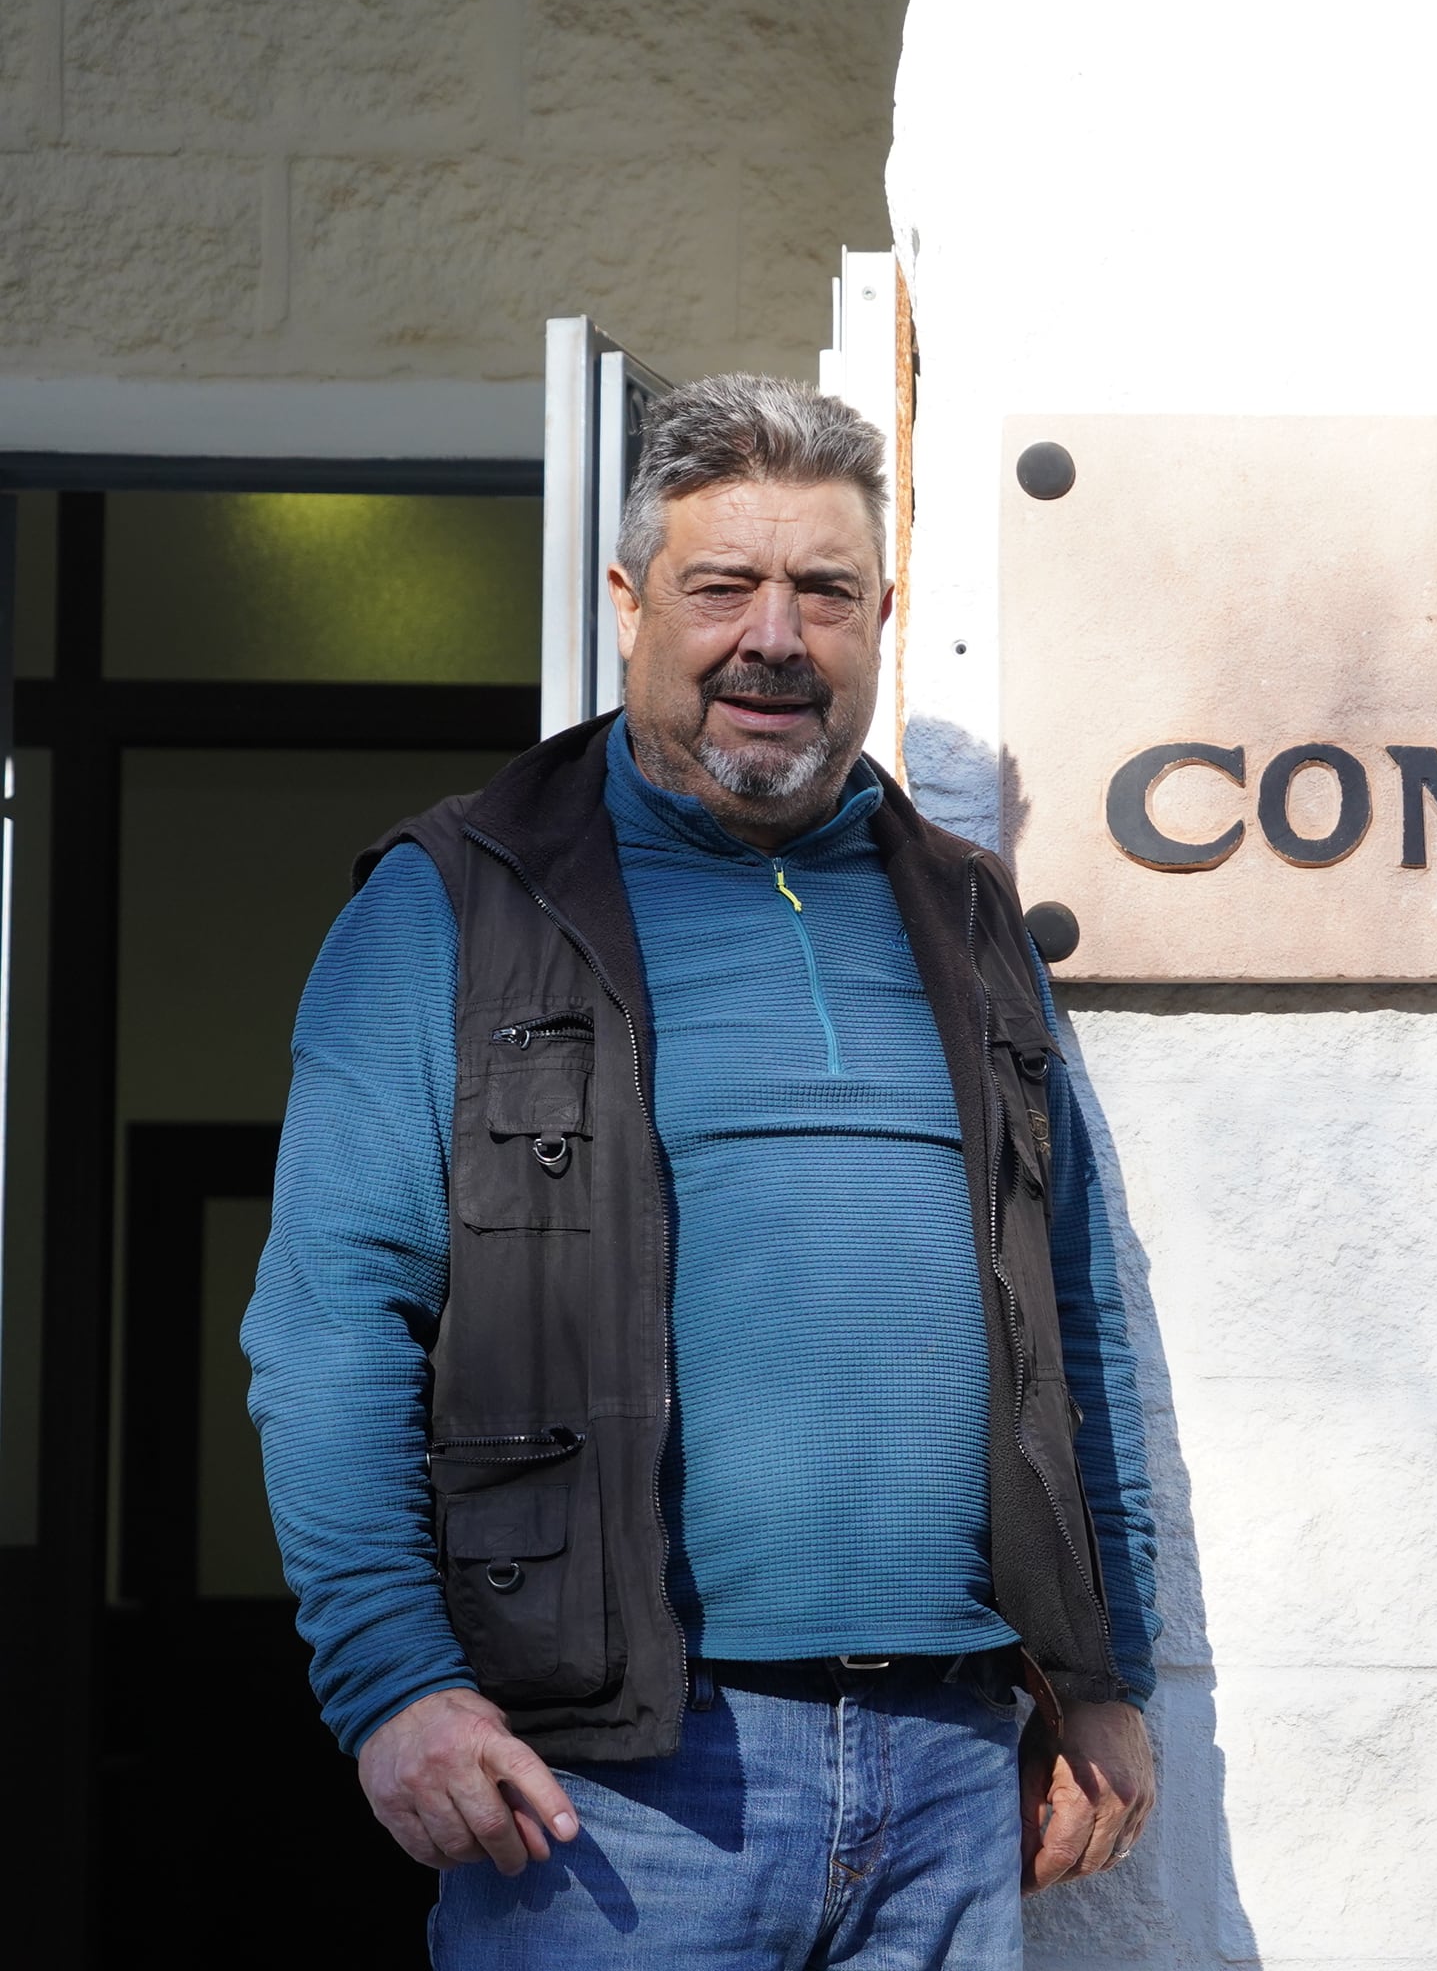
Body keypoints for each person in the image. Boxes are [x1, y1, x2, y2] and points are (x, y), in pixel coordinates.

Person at [244, 372, 1157, 1968]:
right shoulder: (456, 901)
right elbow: (329, 1326)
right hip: (613, 1792)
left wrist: (1107, 1676)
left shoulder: (966, 917)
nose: (775, 640)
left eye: (824, 591)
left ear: (884, 613)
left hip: (954, 1770)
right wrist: (393, 1682)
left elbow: (1070, 1316)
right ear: (628, 600)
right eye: (723, 586)